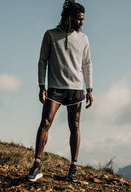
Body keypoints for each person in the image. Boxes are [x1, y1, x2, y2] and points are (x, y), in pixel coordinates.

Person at [27, 0, 93, 182]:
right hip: (55, 88)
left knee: (75, 126)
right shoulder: (50, 35)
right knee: (45, 122)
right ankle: (37, 166)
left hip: (75, 89)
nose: (82, 22)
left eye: (83, 20)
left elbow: (87, 64)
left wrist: (89, 88)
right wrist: (41, 86)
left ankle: (73, 168)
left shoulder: (84, 38)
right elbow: (42, 61)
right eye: (79, 19)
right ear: (69, 17)